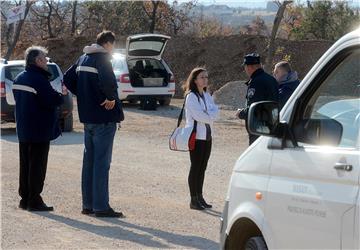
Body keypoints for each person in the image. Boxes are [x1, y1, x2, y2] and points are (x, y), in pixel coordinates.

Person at [64, 30, 124, 217]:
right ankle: (101, 207)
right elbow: (109, 82)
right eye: (112, 45)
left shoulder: (83, 58)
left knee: (89, 163)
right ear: (108, 43)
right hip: (104, 119)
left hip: (88, 118)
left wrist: (83, 94)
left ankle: (88, 205)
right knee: (101, 163)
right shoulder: (103, 58)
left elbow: (67, 78)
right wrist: (111, 98)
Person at [13, 46, 64, 211]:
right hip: (39, 129)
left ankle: (25, 199)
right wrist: (61, 95)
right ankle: (34, 200)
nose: (47, 62)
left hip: (23, 129)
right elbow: (51, 100)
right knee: (37, 166)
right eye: (45, 58)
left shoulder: (19, 78)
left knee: (25, 164)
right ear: (38, 61)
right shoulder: (38, 79)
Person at [183, 67, 219, 210]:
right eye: (202, 77)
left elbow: (216, 112)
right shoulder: (191, 96)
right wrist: (210, 114)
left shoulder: (206, 94)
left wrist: (209, 114)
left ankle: (200, 197)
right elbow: (199, 116)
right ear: (195, 80)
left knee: (202, 168)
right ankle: (193, 199)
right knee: (196, 167)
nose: (205, 79)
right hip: (196, 137)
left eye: (206, 77)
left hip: (207, 136)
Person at [236, 53, 279, 145]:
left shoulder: (256, 82)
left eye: (245, 67)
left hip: (259, 129)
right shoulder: (271, 79)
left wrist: (241, 113)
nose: (245, 70)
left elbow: (254, 108)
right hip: (271, 126)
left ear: (249, 67)